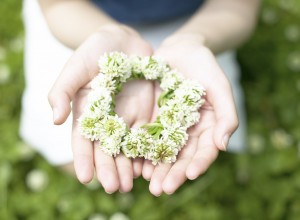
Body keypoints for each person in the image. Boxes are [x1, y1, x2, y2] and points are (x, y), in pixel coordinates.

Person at [20, 0, 260, 196]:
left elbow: (238, 6)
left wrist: (195, 39)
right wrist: (106, 33)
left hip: (201, 21)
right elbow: (58, 5)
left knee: (202, 129)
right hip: (80, 19)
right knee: (73, 158)